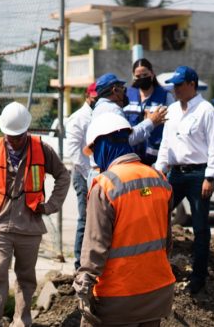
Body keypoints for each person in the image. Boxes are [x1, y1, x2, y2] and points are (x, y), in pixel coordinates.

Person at [0, 102, 70, 327]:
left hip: (29, 225)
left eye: (18, 136)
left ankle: (21, 323)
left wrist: (50, 205)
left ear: (27, 130)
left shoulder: (42, 149)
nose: (14, 141)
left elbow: (63, 176)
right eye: (10, 136)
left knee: (26, 279)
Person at [73, 112, 175, 326]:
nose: (95, 159)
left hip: (117, 297)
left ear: (102, 144)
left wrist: (83, 284)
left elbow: (95, 246)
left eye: (94, 151)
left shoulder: (106, 185)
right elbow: (167, 241)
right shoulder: (159, 179)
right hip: (157, 292)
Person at [155, 66, 214, 295]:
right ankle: (159, 267)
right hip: (175, 174)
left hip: (198, 175)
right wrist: (158, 171)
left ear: (192, 84)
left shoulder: (206, 111)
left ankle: (198, 277)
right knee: (157, 215)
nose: (175, 90)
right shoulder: (172, 110)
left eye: (179, 85)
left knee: (200, 226)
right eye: (173, 86)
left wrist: (210, 177)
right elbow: (166, 144)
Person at [87, 73, 167, 185]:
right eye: (122, 89)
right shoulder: (112, 110)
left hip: (101, 173)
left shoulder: (100, 108)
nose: (125, 93)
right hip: (107, 175)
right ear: (115, 90)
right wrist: (151, 122)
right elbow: (127, 139)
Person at [65, 82, 98, 270]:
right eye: (94, 97)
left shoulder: (100, 115)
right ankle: (79, 264)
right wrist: (89, 175)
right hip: (83, 174)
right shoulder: (78, 118)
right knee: (85, 219)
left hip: (97, 175)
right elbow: (74, 152)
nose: (97, 100)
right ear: (87, 96)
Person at [124, 59, 175, 166]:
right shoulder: (126, 95)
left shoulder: (165, 96)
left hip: (156, 159)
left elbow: (173, 126)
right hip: (130, 158)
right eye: (138, 76)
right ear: (133, 76)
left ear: (152, 74)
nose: (142, 78)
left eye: (145, 75)